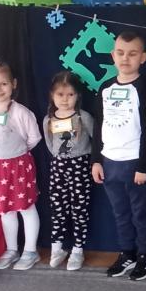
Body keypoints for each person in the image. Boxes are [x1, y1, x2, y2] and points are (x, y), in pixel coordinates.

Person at [91, 31, 146, 281]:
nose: (125, 59)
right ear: (113, 55)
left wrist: (144, 166)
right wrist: (96, 160)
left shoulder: (145, 89)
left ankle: (145, 256)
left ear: (143, 57)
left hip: (135, 164)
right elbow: (99, 125)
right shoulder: (105, 88)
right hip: (110, 163)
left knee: (141, 213)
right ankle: (127, 252)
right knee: (120, 212)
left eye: (132, 54)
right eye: (120, 53)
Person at [0, 60, 42, 270]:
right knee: (5, 210)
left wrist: (16, 153)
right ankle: (12, 249)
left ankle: (30, 251)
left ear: (13, 84)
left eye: (3, 84)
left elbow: (34, 137)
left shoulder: (21, 112)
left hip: (18, 166)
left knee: (26, 208)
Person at [42, 71, 94, 271]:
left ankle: (78, 250)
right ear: (52, 96)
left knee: (79, 209)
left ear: (77, 96)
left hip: (80, 167)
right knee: (58, 208)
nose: (65, 99)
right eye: (60, 95)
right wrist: (60, 158)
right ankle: (57, 248)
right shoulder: (48, 120)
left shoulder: (84, 117)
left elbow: (96, 140)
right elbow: (50, 144)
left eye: (70, 95)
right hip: (58, 168)